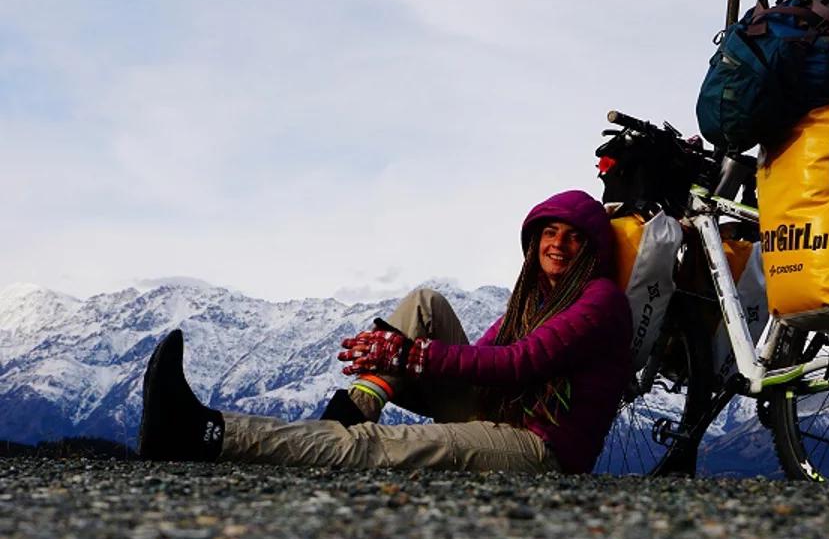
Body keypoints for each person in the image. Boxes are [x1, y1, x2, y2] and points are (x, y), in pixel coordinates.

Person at [137, 190, 632, 474]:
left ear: (591, 251)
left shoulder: (599, 301)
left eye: (573, 237)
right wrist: (403, 354)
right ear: (533, 242)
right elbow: (481, 359)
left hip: (540, 446)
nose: (559, 245)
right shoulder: (534, 299)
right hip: (495, 407)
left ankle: (206, 434)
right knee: (426, 303)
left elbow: (518, 363)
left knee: (377, 446)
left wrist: (410, 356)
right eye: (550, 233)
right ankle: (344, 417)